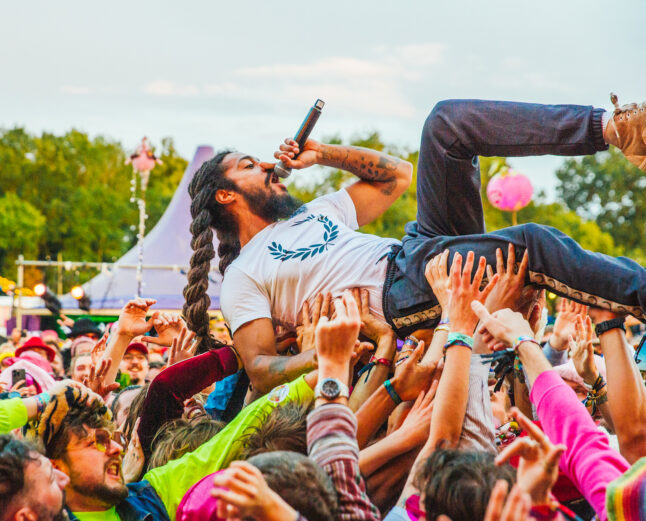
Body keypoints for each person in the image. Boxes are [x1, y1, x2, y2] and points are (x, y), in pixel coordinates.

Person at [182, 95, 646, 394]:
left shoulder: (313, 211)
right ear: (227, 195)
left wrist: (322, 155)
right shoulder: (243, 274)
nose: (266, 165)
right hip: (397, 293)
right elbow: (261, 369)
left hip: (414, 251)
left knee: (447, 125)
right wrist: (334, 350)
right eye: (248, 165)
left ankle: (617, 129)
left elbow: (397, 175)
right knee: (531, 244)